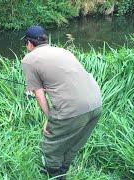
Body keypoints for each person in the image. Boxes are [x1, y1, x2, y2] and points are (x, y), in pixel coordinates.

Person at [21, 26, 102, 179]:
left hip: (72, 110)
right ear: (45, 40)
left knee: (50, 146)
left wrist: (50, 118)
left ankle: (55, 175)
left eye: (25, 44)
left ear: (29, 43)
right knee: (74, 142)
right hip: (96, 103)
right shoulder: (63, 51)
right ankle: (63, 170)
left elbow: (38, 94)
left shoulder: (29, 60)